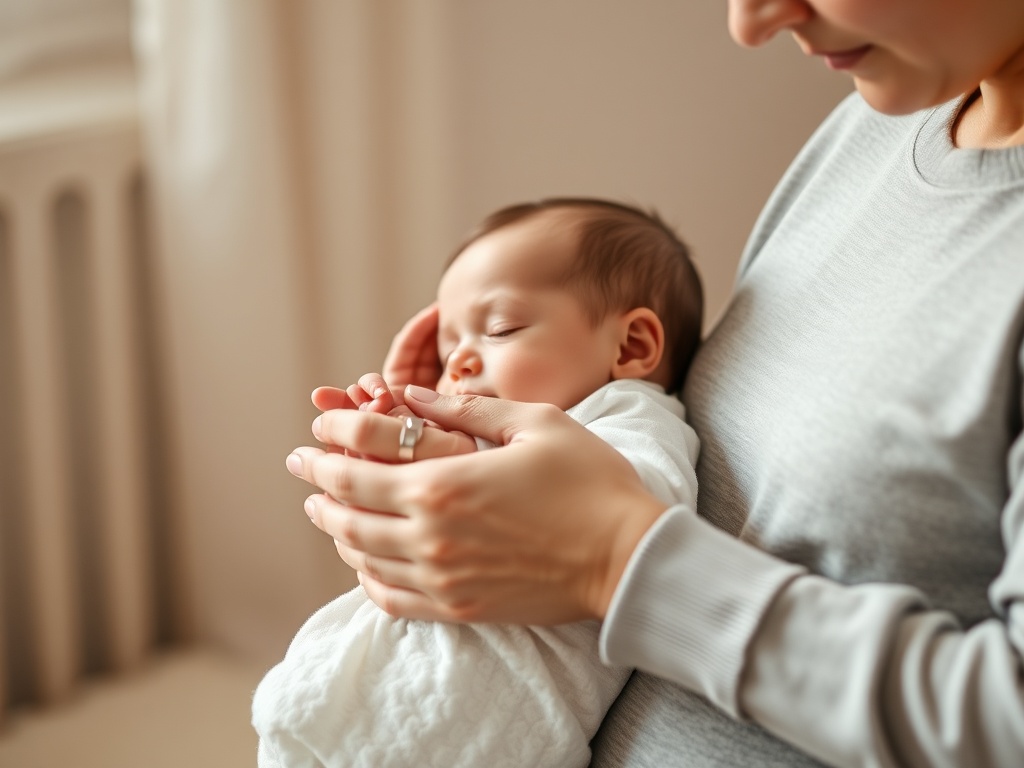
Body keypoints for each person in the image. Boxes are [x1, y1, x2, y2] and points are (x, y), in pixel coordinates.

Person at [283, 1, 1024, 765]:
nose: (753, 23)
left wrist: (613, 561)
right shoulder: (884, 116)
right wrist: (459, 458)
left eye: (497, 330)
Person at [253, 198, 704, 767]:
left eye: (500, 328)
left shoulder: (631, 415)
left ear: (631, 346)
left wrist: (465, 452)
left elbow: (640, 511)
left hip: (465, 726)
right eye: (446, 349)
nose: (459, 363)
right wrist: (387, 449)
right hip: (365, 700)